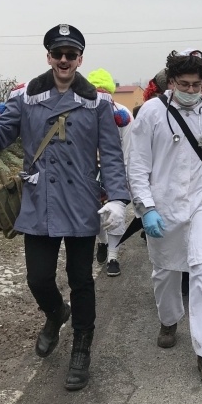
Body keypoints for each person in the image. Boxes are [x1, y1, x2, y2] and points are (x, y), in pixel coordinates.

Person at [0, 24, 129, 391]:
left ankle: (81, 348)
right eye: (58, 53)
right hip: (39, 202)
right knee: (38, 278)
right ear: (49, 57)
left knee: (82, 279)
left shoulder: (98, 104)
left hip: (82, 202)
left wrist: (117, 198)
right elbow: (3, 131)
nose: (64, 60)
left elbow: (112, 156)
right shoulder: (26, 97)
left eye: (71, 54)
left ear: (80, 59)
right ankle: (55, 315)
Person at [127, 51, 202, 384]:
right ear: (171, 82)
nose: (191, 91)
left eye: (197, 85)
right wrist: (145, 208)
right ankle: (169, 318)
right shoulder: (151, 113)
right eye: (184, 84)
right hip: (164, 205)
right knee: (166, 272)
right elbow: (137, 165)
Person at [86, 68, 133, 277]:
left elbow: (128, 147)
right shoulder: (82, 112)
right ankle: (102, 242)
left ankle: (113, 255)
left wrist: (123, 176)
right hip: (89, 172)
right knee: (93, 213)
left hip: (115, 170)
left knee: (115, 214)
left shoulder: (123, 115)